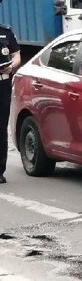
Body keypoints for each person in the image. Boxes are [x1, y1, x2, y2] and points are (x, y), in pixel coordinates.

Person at [0, 24, 21, 184]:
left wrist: (11, 66)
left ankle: (0, 171)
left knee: (1, 128)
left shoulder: (5, 32)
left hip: (3, 85)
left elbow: (16, 56)